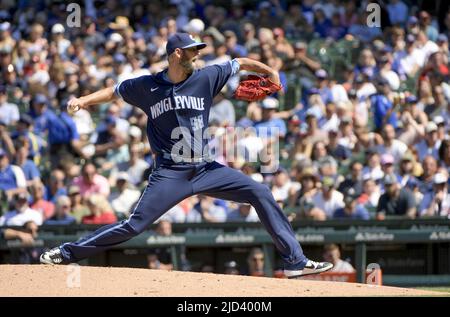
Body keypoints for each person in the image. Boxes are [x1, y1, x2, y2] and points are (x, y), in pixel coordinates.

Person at [40, 33, 332, 278]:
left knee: (259, 191)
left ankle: (294, 262)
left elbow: (239, 63)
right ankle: (66, 253)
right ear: (177, 54)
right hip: (170, 173)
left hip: (205, 168)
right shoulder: (147, 86)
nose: (197, 56)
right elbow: (114, 91)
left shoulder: (206, 77)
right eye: (193, 52)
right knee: (134, 225)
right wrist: (83, 100)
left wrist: (269, 72)